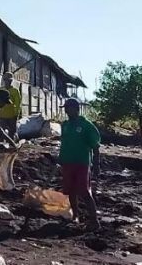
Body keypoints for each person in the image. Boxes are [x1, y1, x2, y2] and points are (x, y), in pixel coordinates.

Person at [59, 98, 101, 229]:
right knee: (70, 190)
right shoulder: (65, 125)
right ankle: (75, 216)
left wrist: (96, 164)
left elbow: (95, 146)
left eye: (68, 108)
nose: (66, 111)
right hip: (67, 162)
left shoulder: (86, 125)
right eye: (65, 108)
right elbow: (64, 143)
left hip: (82, 163)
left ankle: (94, 221)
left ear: (75, 109)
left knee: (84, 191)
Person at [0, 72, 22, 139]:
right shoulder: (1, 90)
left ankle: (12, 147)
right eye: (5, 80)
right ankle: (1, 147)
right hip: (2, 115)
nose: (7, 82)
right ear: (4, 80)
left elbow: (18, 104)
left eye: (9, 80)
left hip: (12, 116)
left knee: (12, 133)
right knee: (1, 133)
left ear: (11, 81)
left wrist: (16, 114)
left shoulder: (15, 91)